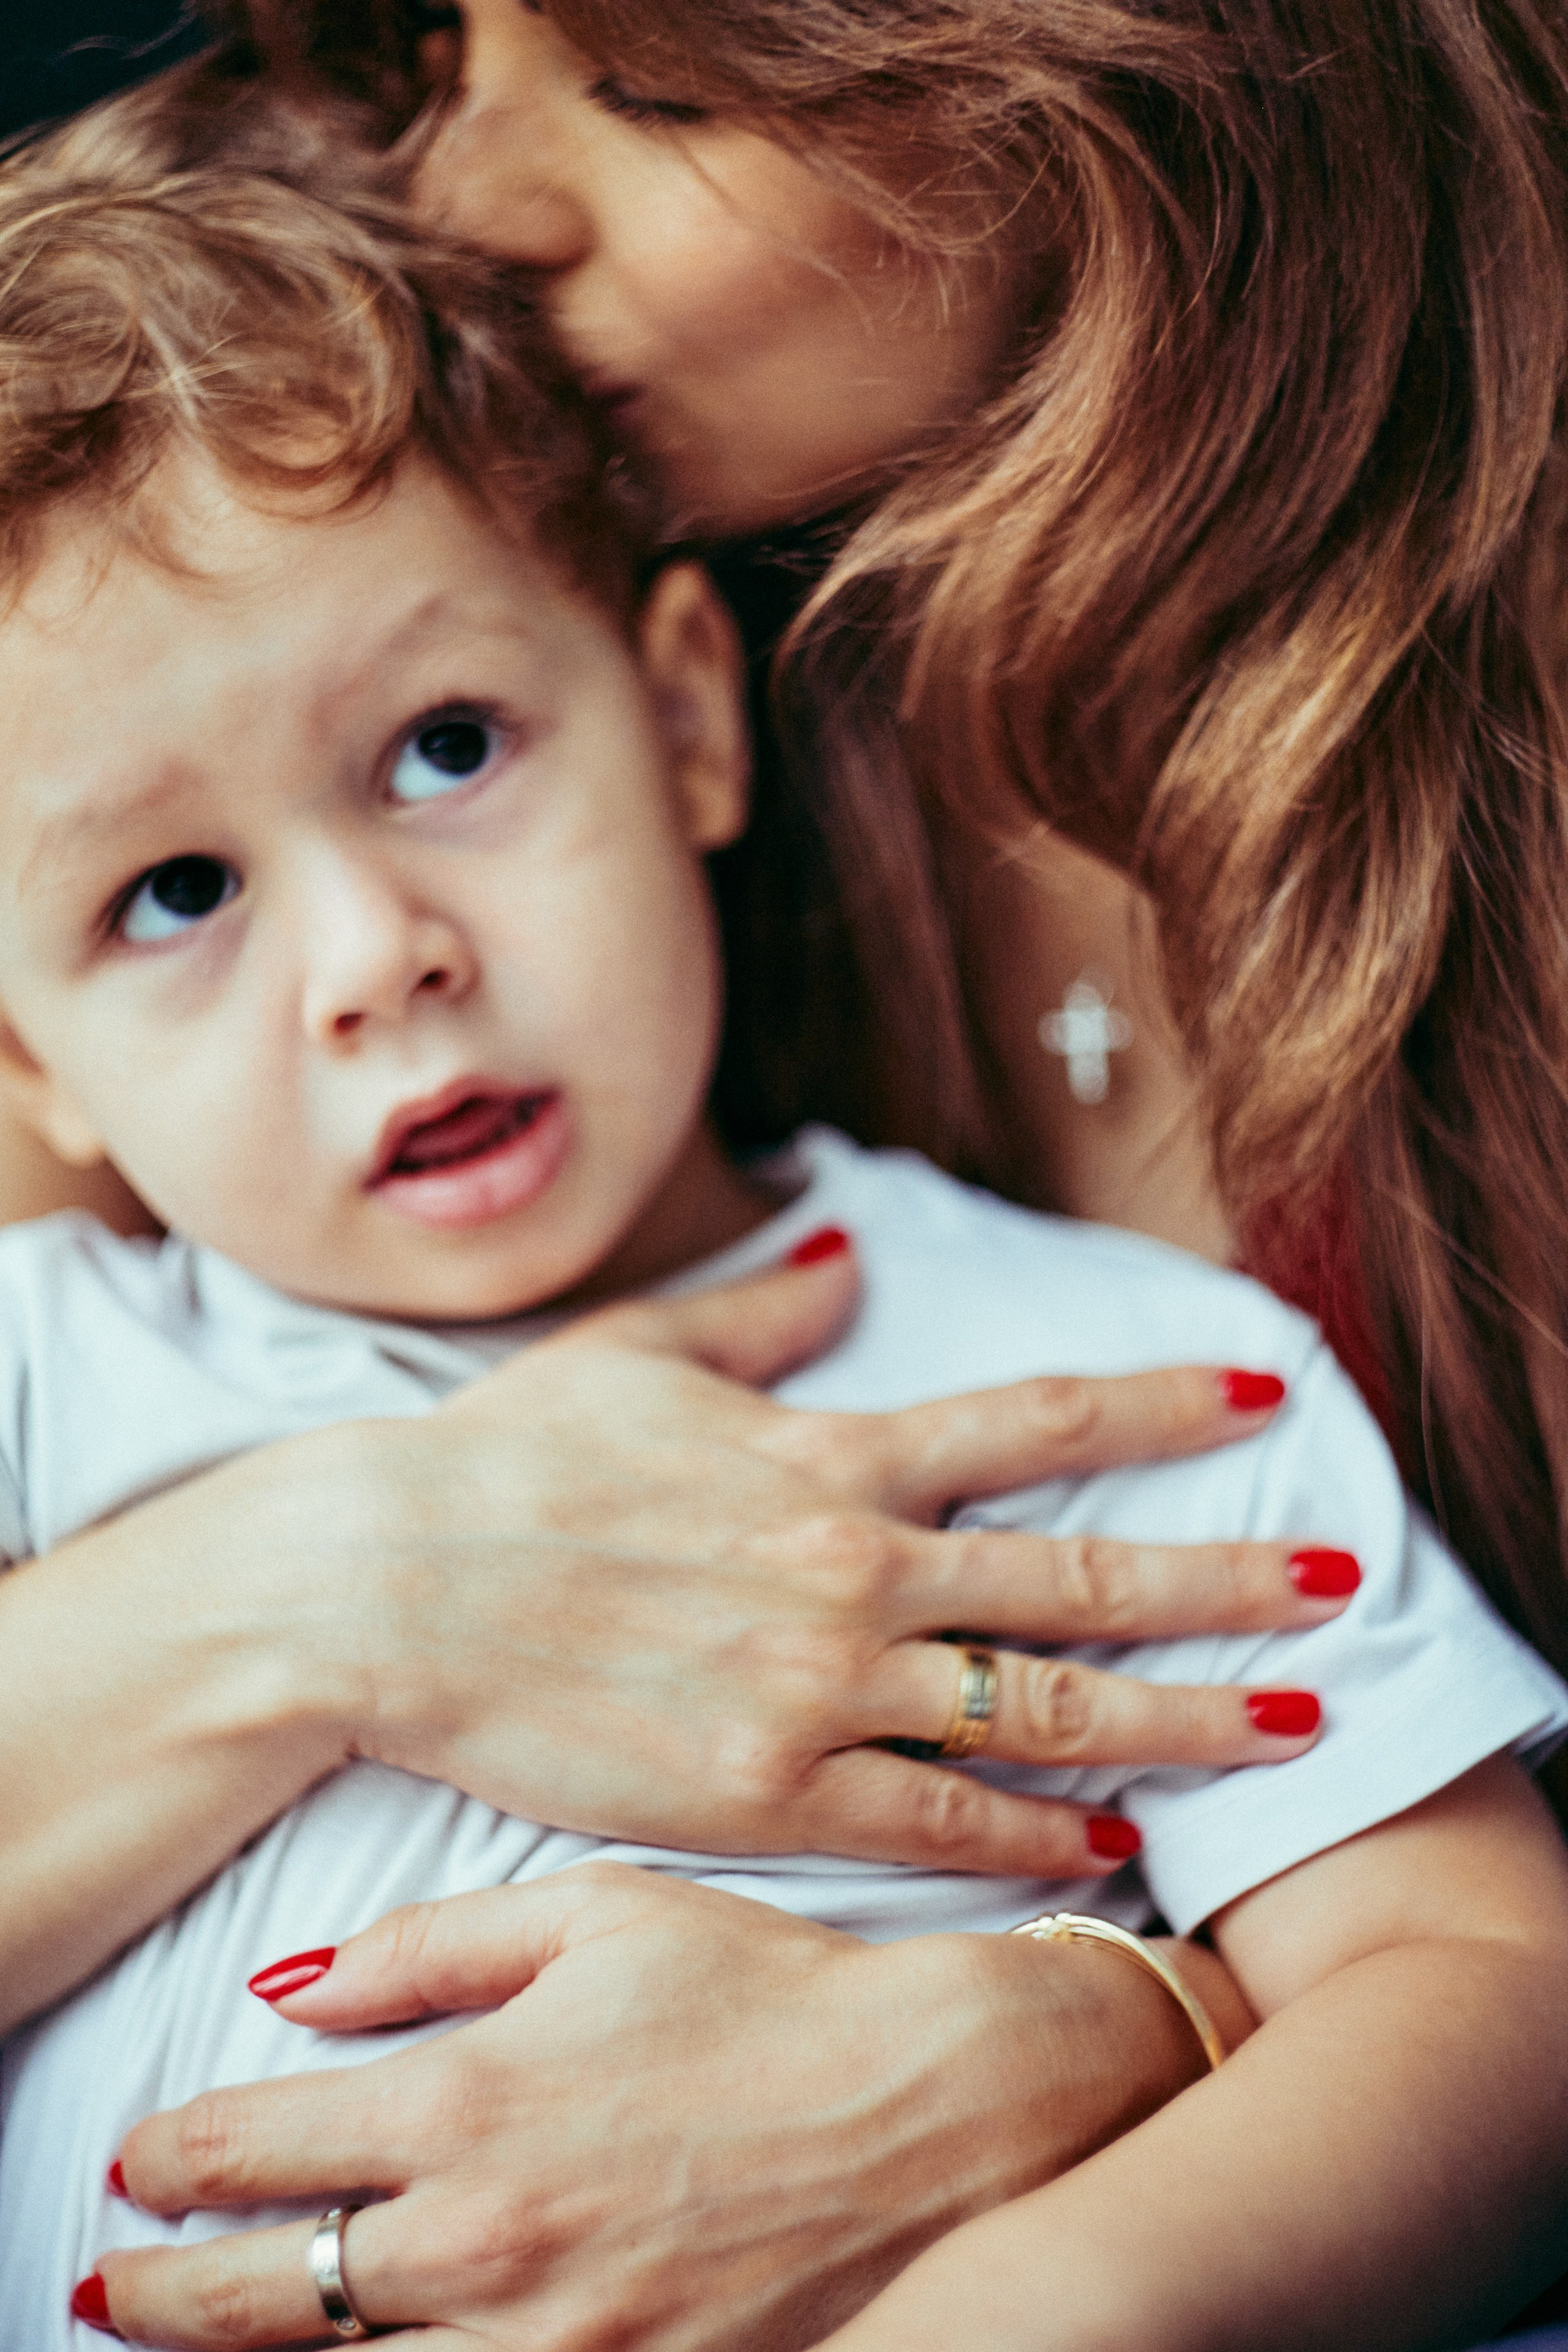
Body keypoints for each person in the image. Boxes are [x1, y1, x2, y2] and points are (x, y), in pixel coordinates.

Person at [2, 0, 1566, 2341]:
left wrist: (1047, 2274)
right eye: (178, 897)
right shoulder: (49, 1357)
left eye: (446, 751)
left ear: (686, 719)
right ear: (29, 1062)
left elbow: (1485, 1990)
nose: (376, 960)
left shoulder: (1110, 1380)